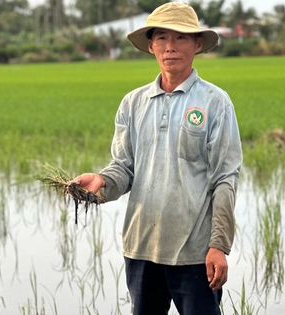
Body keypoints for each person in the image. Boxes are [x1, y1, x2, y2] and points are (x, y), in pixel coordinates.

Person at [74, 2, 242, 314]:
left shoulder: (215, 103)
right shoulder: (133, 103)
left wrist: (218, 246)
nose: (171, 47)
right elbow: (124, 166)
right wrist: (101, 181)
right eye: (162, 38)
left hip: (194, 253)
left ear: (197, 44)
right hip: (141, 248)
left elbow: (225, 180)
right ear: (151, 46)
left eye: (181, 38)